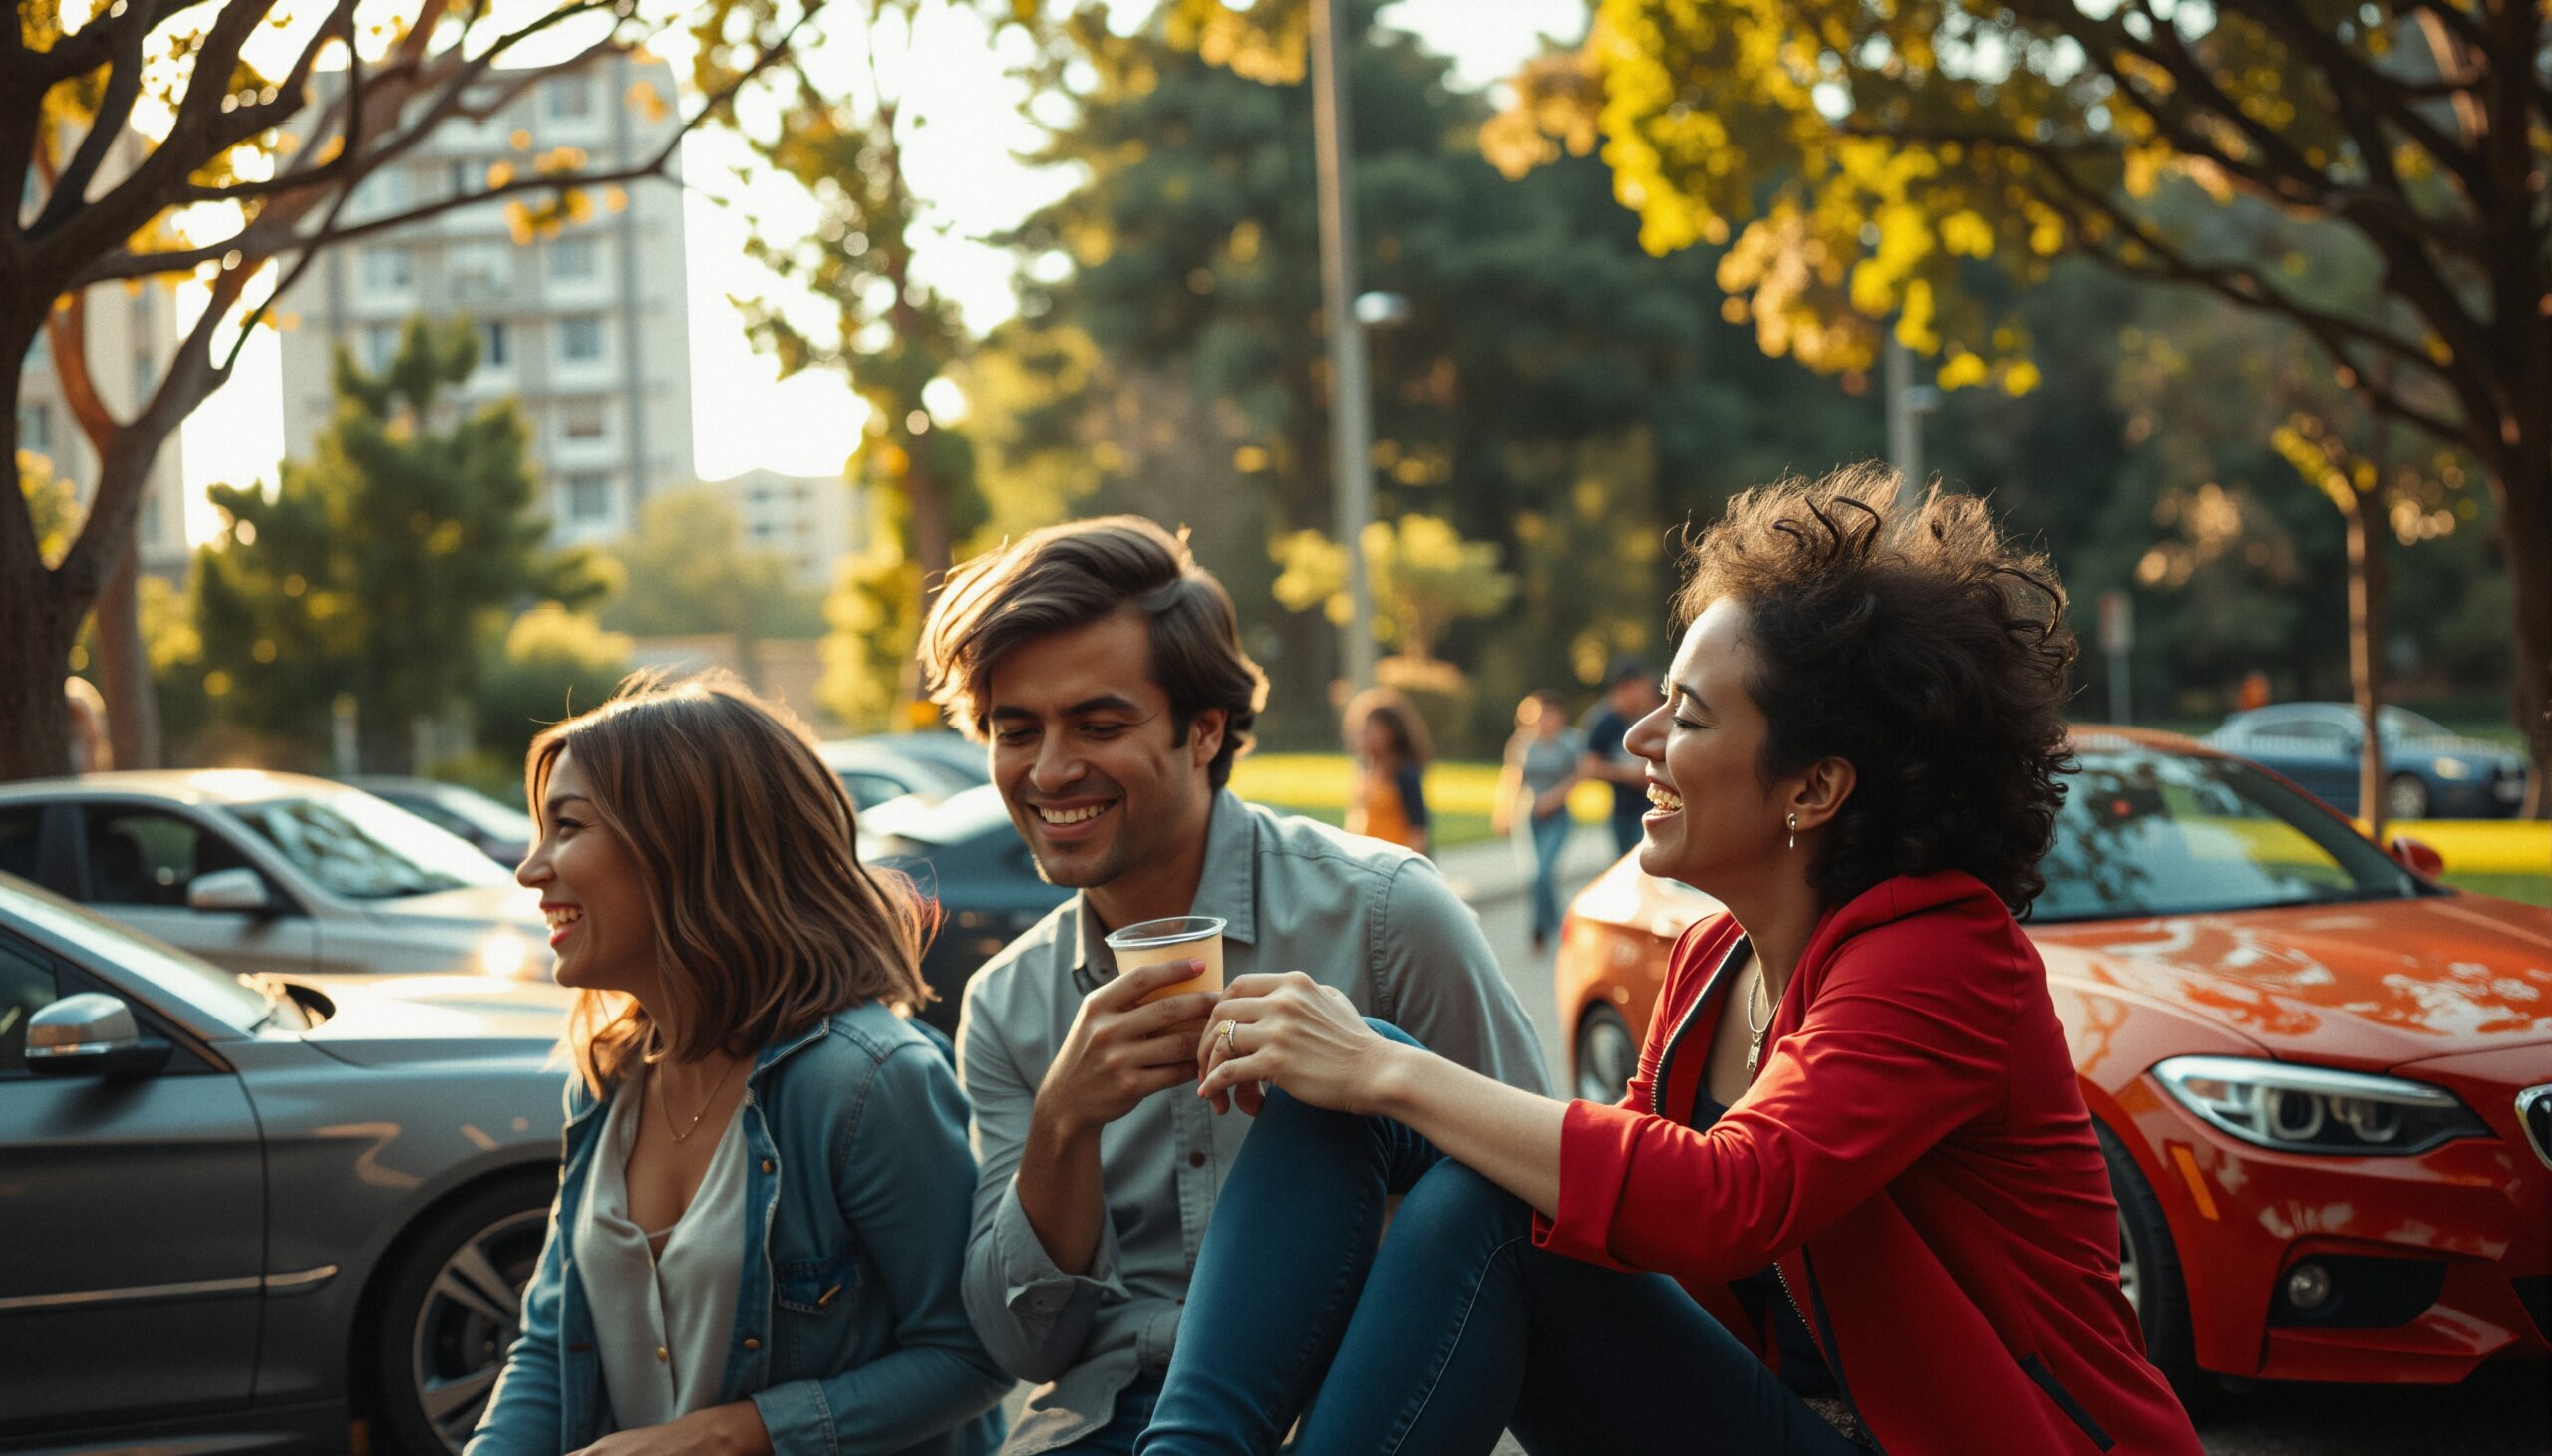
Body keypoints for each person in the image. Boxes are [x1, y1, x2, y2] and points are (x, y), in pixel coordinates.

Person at [1136, 468, 2204, 1456]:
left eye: (1686, 715)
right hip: (1780, 1419)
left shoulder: (1943, 954)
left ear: (1813, 789)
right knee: (1387, 1115)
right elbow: (1635, 1233)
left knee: (1411, 1124)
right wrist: (1374, 1089)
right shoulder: (1709, 964)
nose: (1639, 737)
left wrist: (1389, 1072)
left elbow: (1731, 1200)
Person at [917, 517, 1548, 1455]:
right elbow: (1019, 1345)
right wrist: (1064, 1119)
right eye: (1018, 731)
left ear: (1204, 729)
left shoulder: (1385, 916)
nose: (1050, 770)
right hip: (1106, 1420)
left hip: (1358, 1400)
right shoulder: (1011, 1001)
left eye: (1099, 724)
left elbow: (1533, 1218)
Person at [470, 671, 1011, 1456]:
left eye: (568, 827)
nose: (531, 868)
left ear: (682, 845)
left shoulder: (866, 1083)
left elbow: (973, 1354)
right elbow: (550, 1350)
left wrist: (734, 1436)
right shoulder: (609, 1078)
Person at [1491, 691, 1581, 953]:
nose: (1543, 720)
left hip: (1558, 816)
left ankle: (1544, 928)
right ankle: (1549, 925)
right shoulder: (1522, 743)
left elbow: (1581, 774)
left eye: (1549, 714)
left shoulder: (1571, 742)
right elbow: (1513, 778)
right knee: (1534, 876)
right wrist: (1504, 811)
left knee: (1545, 873)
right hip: (1529, 816)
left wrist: (1554, 798)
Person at [1579, 659, 1661, 857]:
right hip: (1624, 809)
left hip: (1656, 805)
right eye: (1642, 685)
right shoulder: (1603, 722)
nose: (1647, 690)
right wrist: (1629, 774)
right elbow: (1590, 766)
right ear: (1627, 686)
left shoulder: (1650, 713)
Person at [1342, 687, 1433, 856]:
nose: (1364, 734)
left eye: (1371, 728)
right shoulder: (1364, 769)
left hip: (1393, 864)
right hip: (1366, 862)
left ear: (1390, 732)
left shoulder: (1404, 774)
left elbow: (1418, 830)